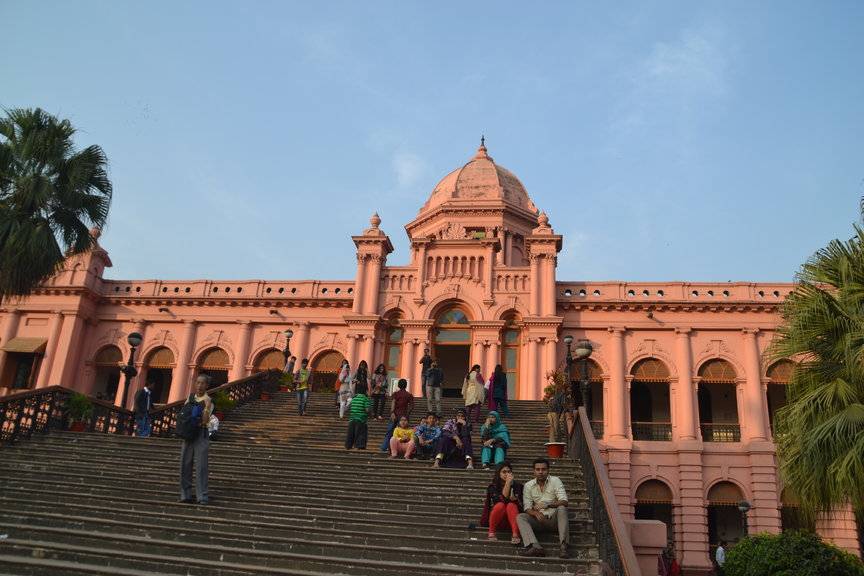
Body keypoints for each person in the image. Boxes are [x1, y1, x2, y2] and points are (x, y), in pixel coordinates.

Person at [517, 457, 570, 558]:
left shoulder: (555, 480)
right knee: (521, 517)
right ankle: (536, 547)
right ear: (534, 471)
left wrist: (548, 504)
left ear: (548, 470)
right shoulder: (528, 485)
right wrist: (535, 513)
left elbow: (564, 501)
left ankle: (564, 546)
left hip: (554, 520)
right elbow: (527, 507)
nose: (540, 472)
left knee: (562, 508)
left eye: (543, 469)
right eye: (538, 469)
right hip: (539, 520)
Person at [179, 374, 214, 505]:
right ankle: (185, 494)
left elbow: (205, 421)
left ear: (207, 385)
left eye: (202, 383)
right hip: (188, 433)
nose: (199, 385)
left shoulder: (208, 400)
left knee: (201, 466)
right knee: (185, 464)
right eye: (198, 382)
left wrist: (207, 407)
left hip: (201, 433)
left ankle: (202, 496)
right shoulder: (190, 398)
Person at [480, 461, 523, 544]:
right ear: (498, 474)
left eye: (509, 471)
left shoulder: (518, 486)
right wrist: (508, 483)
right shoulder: (493, 487)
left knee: (511, 505)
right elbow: (501, 500)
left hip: (513, 521)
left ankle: (515, 534)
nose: (507, 474)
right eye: (504, 472)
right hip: (498, 520)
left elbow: (522, 506)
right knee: (500, 505)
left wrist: (516, 500)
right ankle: (491, 532)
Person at [380, 378, 414, 451]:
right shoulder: (409, 395)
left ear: (398, 385)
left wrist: (392, 412)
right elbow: (411, 406)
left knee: (390, 431)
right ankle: (400, 448)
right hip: (404, 416)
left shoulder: (396, 394)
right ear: (406, 385)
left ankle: (384, 447)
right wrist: (407, 413)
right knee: (402, 433)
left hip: (395, 414)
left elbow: (393, 403)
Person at [345, 382, 371, 449]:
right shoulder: (365, 399)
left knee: (351, 433)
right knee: (361, 433)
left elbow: (349, 407)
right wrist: (370, 414)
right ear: (365, 391)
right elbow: (367, 410)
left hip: (352, 418)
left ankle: (348, 445)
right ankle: (359, 445)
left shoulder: (354, 398)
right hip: (361, 419)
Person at [545, 376, 567, 444]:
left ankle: (558, 440)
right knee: (552, 427)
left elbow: (562, 403)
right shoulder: (553, 393)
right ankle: (552, 441)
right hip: (550, 412)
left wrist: (560, 412)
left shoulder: (561, 393)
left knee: (556, 427)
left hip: (555, 412)